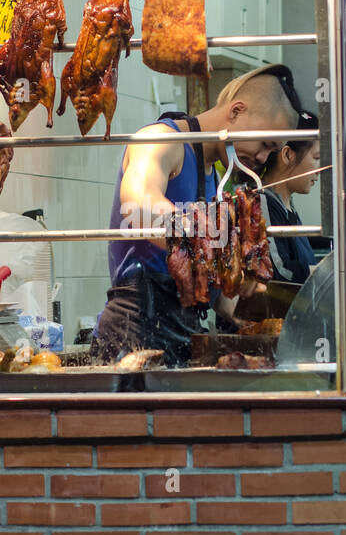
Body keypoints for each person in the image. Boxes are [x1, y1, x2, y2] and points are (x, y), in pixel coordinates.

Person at [91, 63, 307, 364]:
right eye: (265, 145)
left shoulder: (213, 181)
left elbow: (220, 297)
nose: (261, 158)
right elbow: (138, 205)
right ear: (236, 111)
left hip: (182, 333)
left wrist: (262, 315)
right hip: (133, 331)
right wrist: (213, 250)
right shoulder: (161, 141)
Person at [258, 113, 322, 284]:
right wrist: (327, 273)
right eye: (316, 158)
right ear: (287, 155)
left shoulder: (287, 207)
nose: (319, 169)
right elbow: (279, 272)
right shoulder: (262, 204)